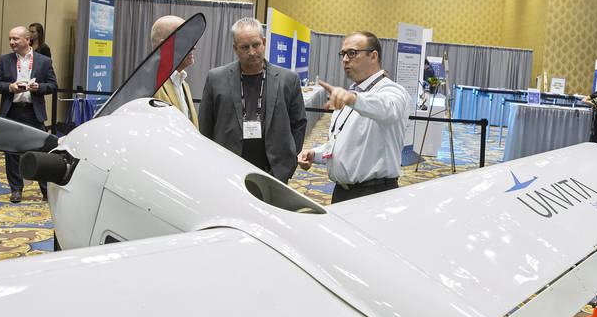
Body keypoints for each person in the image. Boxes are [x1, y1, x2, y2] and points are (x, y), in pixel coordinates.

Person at [297, 31, 410, 203]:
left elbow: (388, 108)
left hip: (375, 195)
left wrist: (353, 99)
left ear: (373, 56)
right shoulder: (352, 92)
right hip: (343, 192)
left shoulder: (392, 91)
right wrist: (315, 154)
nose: (345, 59)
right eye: (343, 54)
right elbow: (344, 144)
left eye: (352, 53)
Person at [198, 18, 306, 183]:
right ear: (235, 48)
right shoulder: (216, 78)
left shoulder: (288, 79)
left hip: (274, 173)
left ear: (263, 42)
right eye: (244, 47)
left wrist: (288, 162)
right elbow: (205, 127)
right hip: (227, 171)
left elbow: (298, 124)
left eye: (256, 45)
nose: (251, 52)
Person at [0, 26, 58, 202]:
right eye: (10, 39)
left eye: (16, 39)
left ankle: (45, 190)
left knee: (42, 150)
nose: (11, 42)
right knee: (11, 152)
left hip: (33, 111)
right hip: (12, 110)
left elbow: (53, 85)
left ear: (27, 40)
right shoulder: (4, 60)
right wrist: (10, 87)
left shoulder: (43, 61)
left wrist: (39, 88)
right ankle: (16, 189)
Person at [149, 15, 198, 128]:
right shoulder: (149, 85)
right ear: (164, 44)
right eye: (185, 39)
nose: (194, 46)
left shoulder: (184, 84)